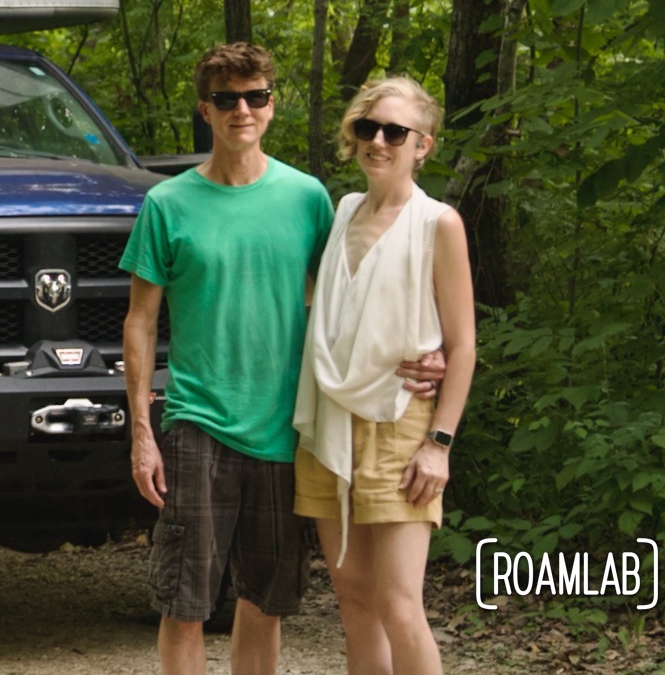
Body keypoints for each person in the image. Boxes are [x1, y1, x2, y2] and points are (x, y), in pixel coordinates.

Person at [120, 44, 442, 675]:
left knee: (265, 600)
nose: (242, 109)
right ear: (204, 110)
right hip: (198, 422)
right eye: (226, 99)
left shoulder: (309, 199)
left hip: (290, 430)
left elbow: (354, 296)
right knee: (185, 604)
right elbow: (140, 322)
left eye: (255, 96)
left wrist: (428, 351)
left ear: (271, 104)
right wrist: (141, 433)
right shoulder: (167, 204)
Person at [292, 76, 476, 675]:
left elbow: (463, 344)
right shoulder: (343, 209)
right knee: (354, 603)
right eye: (367, 128)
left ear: (422, 144)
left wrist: (439, 444)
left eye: (395, 131)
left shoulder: (438, 223)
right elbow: (333, 314)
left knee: (400, 605)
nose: (378, 141)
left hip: (400, 423)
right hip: (329, 423)